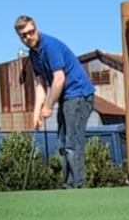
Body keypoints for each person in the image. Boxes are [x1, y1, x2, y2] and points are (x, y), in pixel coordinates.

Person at [14, 15, 95, 189]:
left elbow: (59, 79)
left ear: (36, 28)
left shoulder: (50, 46)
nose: (29, 37)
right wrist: (37, 113)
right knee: (62, 142)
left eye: (31, 32)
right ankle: (68, 185)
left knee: (72, 141)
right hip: (66, 97)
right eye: (24, 35)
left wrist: (49, 106)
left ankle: (76, 187)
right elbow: (41, 84)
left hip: (79, 93)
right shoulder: (33, 54)